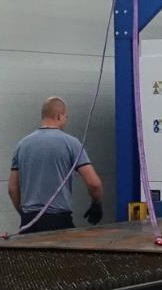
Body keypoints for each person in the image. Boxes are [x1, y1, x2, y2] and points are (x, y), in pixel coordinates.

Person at [8, 96, 104, 234]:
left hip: (28, 222)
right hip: (57, 221)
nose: (66, 120)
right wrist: (96, 204)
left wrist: (25, 215)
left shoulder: (21, 145)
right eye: (66, 117)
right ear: (59, 116)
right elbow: (94, 183)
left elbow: (12, 188)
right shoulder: (71, 143)